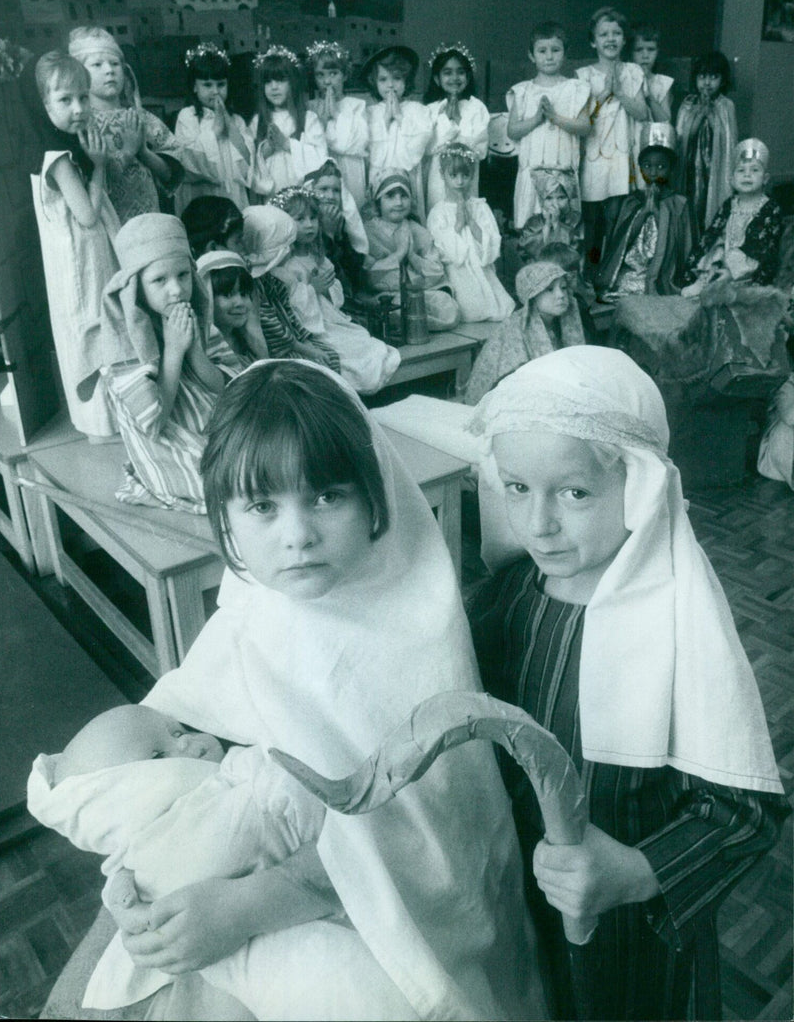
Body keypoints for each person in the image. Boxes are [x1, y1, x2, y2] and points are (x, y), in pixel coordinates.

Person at [59, 359, 547, 1022]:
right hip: (239, 894)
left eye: (327, 496)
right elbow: (163, 772)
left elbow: (432, 847)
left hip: (376, 926)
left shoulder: (412, 633)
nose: (297, 535)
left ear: (375, 498)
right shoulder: (253, 615)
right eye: (263, 506)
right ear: (226, 521)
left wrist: (250, 905)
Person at [466, 346, 789, 1020]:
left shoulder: (681, 627)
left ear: (638, 487)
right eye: (517, 488)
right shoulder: (507, 599)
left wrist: (636, 873)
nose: (538, 523)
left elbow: (747, 814)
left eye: (574, 492)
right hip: (524, 900)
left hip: (635, 931)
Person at [28, 705, 400, 1020]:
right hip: (215, 959)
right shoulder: (135, 847)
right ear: (125, 796)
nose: (188, 742)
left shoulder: (234, 778)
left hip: (280, 920)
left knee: (338, 979)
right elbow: (116, 876)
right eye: (160, 754)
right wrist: (124, 899)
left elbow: (290, 789)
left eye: (178, 731)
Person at [91, 213, 227, 513]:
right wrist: (174, 352)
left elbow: (223, 388)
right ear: (137, 287)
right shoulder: (124, 341)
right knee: (231, 478)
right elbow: (153, 422)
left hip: (213, 424)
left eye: (183, 275)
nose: (176, 289)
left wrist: (193, 350)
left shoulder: (194, 314)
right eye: (159, 280)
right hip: (166, 445)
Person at [24, 50, 119, 439]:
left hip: (91, 256)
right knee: (93, 330)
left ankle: (113, 414)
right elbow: (87, 216)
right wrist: (98, 165)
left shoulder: (70, 147)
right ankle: (100, 421)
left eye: (83, 97)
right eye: (65, 100)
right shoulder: (59, 158)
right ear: (44, 104)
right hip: (82, 262)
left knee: (104, 326)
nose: (78, 108)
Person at [271, 187, 400, 393]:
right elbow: (289, 305)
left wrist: (328, 288)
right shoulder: (285, 264)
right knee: (347, 351)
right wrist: (312, 289)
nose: (309, 225)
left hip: (329, 319)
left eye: (313, 218)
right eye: (300, 219)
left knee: (364, 340)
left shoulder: (318, 256)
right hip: (309, 327)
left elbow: (336, 299)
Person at [67, 27, 185, 222]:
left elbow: (172, 173)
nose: (109, 70)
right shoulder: (81, 124)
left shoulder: (141, 117)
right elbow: (87, 185)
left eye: (114, 63)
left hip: (150, 217)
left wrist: (144, 153)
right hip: (110, 223)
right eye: (97, 64)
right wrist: (128, 154)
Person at [576, 8, 649, 265]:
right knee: (593, 217)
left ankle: (611, 273)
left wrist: (620, 93)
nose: (610, 39)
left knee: (617, 217)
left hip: (621, 155)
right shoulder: (583, 76)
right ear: (593, 41)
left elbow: (641, 112)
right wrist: (603, 93)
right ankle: (592, 272)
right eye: (603, 34)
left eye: (616, 33)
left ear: (624, 39)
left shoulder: (633, 71)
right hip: (594, 155)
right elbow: (581, 118)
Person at [463, 261, 585, 405]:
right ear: (532, 296)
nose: (561, 295)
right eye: (549, 289)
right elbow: (512, 385)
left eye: (563, 288)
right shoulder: (514, 329)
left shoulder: (562, 322)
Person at [506, 22, 590, 229]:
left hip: (563, 173)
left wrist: (555, 117)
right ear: (531, 55)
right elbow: (512, 131)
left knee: (564, 232)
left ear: (565, 53)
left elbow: (585, 127)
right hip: (531, 172)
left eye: (555, 50)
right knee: (531, 230)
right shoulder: (522, 91)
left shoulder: (576, 89)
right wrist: (536, 119)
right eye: (542, 51)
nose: (549, 56)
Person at [595, 122, 692, 300]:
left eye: (661, 167)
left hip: (663, 271)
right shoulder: (632, 201)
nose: (653, 172)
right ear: (640, 168)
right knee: (623, 285)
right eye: (647, 166)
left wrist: (656, 212)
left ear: (671, 169)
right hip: (632, 270)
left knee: (655, 289)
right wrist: (644, 212)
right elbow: (621, 241)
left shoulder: (679, 203)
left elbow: (681, 244)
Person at [174, 42, 272, 215]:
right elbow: (189, 164)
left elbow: (247, 163)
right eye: (207, 85)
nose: (215, 91)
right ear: (194, 86)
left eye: (220, 84)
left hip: (231, 193)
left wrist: (231, 131)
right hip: (201, 195)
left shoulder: (237, 121)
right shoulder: (187, 117)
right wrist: (215, 134)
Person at [242, 203, 341, 372]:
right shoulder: (253, 287)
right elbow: (275, 331)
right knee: (318, 367)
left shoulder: (272, 279)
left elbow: (289, 314)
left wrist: (306, 339)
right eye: (286, 246)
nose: (290, 250)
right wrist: (306, 348)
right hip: (278, 350)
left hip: (294, 340)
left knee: (331, 355)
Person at [682, 137, 784, 295]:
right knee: (715, 252)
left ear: (765, 179)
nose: (747, 175)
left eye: (755, 170)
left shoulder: (770, 207)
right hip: (726, 250)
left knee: (737, 257)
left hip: (749, 257)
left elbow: (766, 243)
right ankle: (704, 281)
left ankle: (729, 282)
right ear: (732, 180)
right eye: (741, 171)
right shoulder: (730, 203)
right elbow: (715, 230)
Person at [427, 142, 515, 322]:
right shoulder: (438, 212)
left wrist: (471, 222)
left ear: (472, 175)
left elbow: (491, 244)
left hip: (483, 269)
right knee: (470, 310)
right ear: (443, 175)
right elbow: (443, 253)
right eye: (453, 175)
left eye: (465, 175)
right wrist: (458, 224)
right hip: (457, 274)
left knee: (501, 307)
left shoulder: (481, 207)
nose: (460, 181)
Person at [363, 168, 460, 331]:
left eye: (404, 196)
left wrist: (412, 256)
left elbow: (437, 271)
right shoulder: (368, 231)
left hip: (421, 292)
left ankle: (415, 322)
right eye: (390, 196)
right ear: (377, 201)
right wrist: (399, 254)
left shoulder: (418, 231)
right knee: (394, 307)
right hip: (387, 295)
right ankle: (413, 321)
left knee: (448, 307)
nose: (399, 202)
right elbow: (370, 277)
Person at [365, 46, 433, 223]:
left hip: (407, 175)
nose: (390, 85)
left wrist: (400, 118)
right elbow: (371, 153)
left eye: (397, 78)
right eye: (383, 79)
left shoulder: (418, 110)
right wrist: (385, 121)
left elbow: (417, 149)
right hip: (380, 172)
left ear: (406, 80)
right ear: (374, 82)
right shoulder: (370, 112)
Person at [675, 51, 738, 244]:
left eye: (713, 77)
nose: (707, 83)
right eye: (702, 76)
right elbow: (681, 137)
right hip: (691, 169)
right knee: (692, 204)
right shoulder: (687, 104)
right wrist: (698, 114)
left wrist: (711, 116)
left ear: (722, 79)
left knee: (711, 206)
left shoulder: (726, 106)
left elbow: (729, 141)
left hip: (715, 170)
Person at [250, 46, 327, 195]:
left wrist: (287, 144)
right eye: (268, 81)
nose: (274, 87)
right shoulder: (257, 121)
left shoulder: (308, 119)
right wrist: (265, 151)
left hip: (301, 191)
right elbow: (248, 164)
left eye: (280, 80)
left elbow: (321, 157)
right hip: (272, 192)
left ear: (293, 83)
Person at [423, 43, 490, 211]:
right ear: (437, 79)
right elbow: (429, 148)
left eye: (460, 72)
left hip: (467, 178)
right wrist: (447, 122)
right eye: (447, 73)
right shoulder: (430, 110)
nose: (455, 78)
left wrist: (459, 120)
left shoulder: (477, 107)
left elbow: (480, 150)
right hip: (438, 178)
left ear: (468, 77)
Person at [306, 40, 369, 211]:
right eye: (320, 75)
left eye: (333, 73)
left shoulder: (356, 105)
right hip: (322, 172)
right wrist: (323, 122)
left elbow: (353, 144)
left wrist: (336, 114)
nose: (327, 81)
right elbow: (311, 145)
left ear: (345, 75)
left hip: (350, 169)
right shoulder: (310, 107)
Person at [304, 158, 369, 296]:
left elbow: (352, 272)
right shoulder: (305, 228)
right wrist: (328, 234)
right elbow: (325, 271)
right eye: (323, 189)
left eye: (336, 190)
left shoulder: (341, 222)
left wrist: (338, 235)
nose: (330, 196)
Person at [196, 250, 269, 369]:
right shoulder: (203, 353)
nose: (240, 303)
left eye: (244, 294)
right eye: (228, 295)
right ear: (207, 298)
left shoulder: (248, 341)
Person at [628, 23, 673, 183]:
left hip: (650, 147)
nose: (645, 55)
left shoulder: (662, 83)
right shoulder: (625, 81)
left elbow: (665, 121)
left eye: (651, 50)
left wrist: (649, 97)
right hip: (626, 144)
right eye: (639, 50)